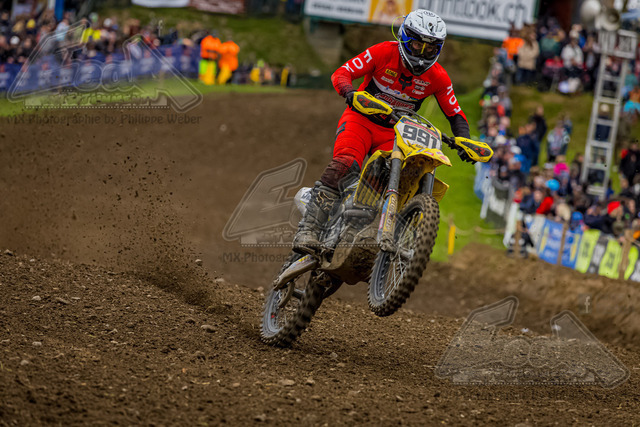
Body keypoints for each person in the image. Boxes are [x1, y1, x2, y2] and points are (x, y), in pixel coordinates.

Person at [292, 9, 473, 254]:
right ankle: (309, 230)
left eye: (430, 49)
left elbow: (455, 113)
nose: (422, 53)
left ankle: (362, 234)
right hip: (360, 119)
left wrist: (464, 140)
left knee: (389, 179)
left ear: (439, 49)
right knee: (346, 163)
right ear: (404, 38)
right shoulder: (383, 52)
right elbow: (342, 73)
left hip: (395, 133)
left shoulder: (438, 76)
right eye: (417, 45)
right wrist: (350, 92)